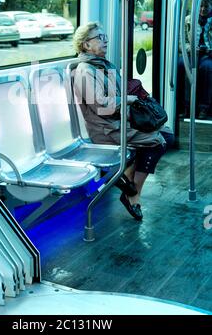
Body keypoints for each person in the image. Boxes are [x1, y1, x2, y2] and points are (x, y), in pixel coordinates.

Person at [73, 22, 174, 221]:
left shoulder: (105, 65)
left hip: (121, 122)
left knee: (167, 133)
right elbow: (102, 106)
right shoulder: (85, 71)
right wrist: (127, 99)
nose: (106, 41)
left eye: (105, 36)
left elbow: (117, 92)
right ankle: (133, 193)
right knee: (159, 141)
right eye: (99, 38)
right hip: (106, 129)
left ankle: (128, 181)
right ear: (86, 45)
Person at [177, 0, 212, 119]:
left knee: (206, 68)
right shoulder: (188, 20)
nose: (203, 9)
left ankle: (204, 107)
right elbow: (181, 42)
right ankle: (185, 106)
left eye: (206, 6)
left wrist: (209, 50)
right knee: (182, 65)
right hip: (192, 54)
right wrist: (190, 48)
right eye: (200, 6)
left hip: (208, 56)